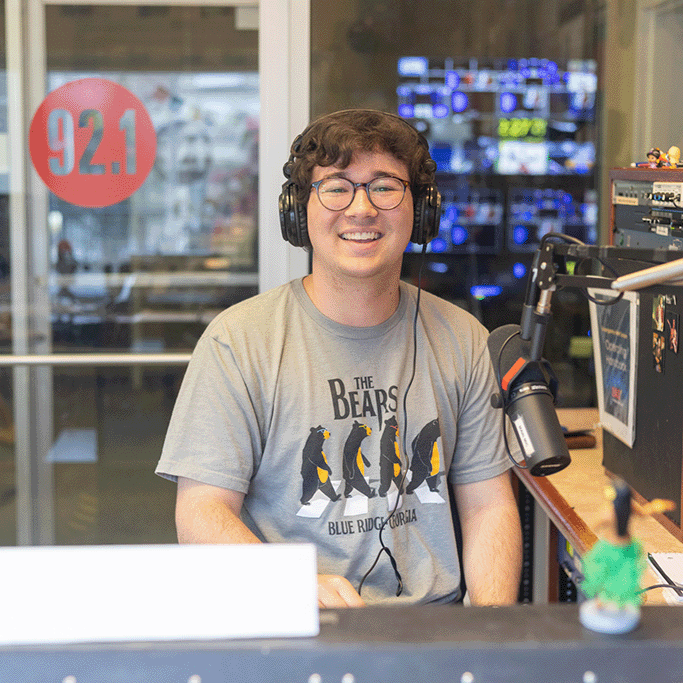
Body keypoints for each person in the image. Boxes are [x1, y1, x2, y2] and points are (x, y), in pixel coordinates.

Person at [155, 109, 522, 608]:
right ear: (298, 210)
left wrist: (489, 636)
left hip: (434, 634)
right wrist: (291, 587)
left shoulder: (463, 339)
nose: (361, 209)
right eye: (336, 187)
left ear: (422, 210)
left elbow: (488, 508)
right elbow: (200, 513)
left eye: (385, 186)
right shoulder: (237, 343)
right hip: (293, 622)